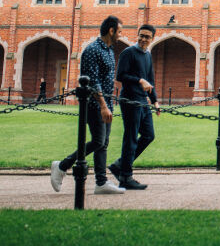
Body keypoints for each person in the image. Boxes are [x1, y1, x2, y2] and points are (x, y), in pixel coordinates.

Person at [50, 16, 126, 194]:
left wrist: (109, 104)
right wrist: (103, 105)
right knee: (99, 141)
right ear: (111, 31)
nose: (121, 35)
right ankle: (62, 165)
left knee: (104, 143)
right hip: (94, 105)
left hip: (107, 103)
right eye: (119, 31)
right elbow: (92, 81)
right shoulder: (92, 50)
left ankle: (101, 183)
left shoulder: (108, 50)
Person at [109, 24, 160, 190]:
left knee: (148, 135)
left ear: (152, 39)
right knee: (130, 138)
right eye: (141, 35)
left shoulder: (147, 55)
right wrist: (139, 80)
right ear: (137, 35)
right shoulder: (128, 53)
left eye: (147, 37)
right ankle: (125, 176)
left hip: (142, 101)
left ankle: (120, 165)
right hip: (129, 99)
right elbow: (121, 75)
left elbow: (150, 79)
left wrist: (155, 101)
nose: (144, 39)